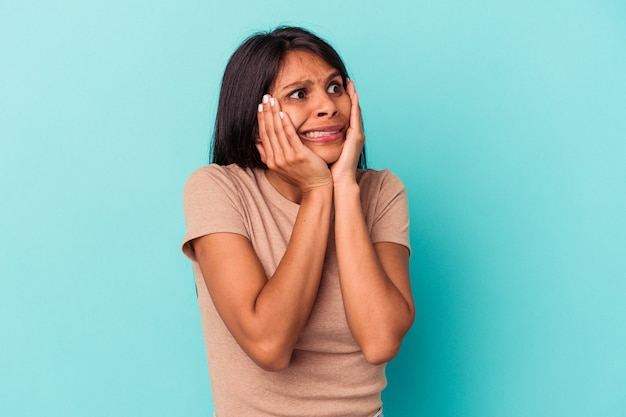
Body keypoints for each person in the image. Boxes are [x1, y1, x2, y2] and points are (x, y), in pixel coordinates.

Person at [182, 26, 414, 417]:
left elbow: (380, 341)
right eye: (299, 94)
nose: (327, 106)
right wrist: (317, 193)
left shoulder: (381, 191)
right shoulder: (216, 189)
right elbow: (269, 345)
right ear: (255, 116)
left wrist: (343, 185)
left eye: (335, 87)